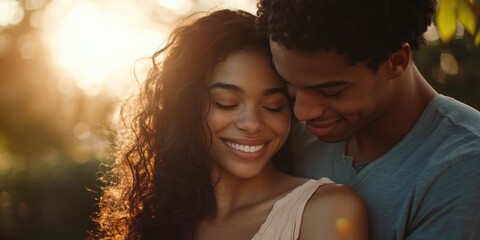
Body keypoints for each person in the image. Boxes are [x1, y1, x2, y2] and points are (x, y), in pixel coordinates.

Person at [92, 9, 368, 240]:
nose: (252, 124)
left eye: (273, 106)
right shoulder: (158, 216)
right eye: (226, 102)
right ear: (186, 107)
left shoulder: (327, 210)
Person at [256, 0, 480, 239]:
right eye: (290, 84)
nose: (302, 112)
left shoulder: (463, 169)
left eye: (331, 91)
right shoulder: (284, 126)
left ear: (396, 62)